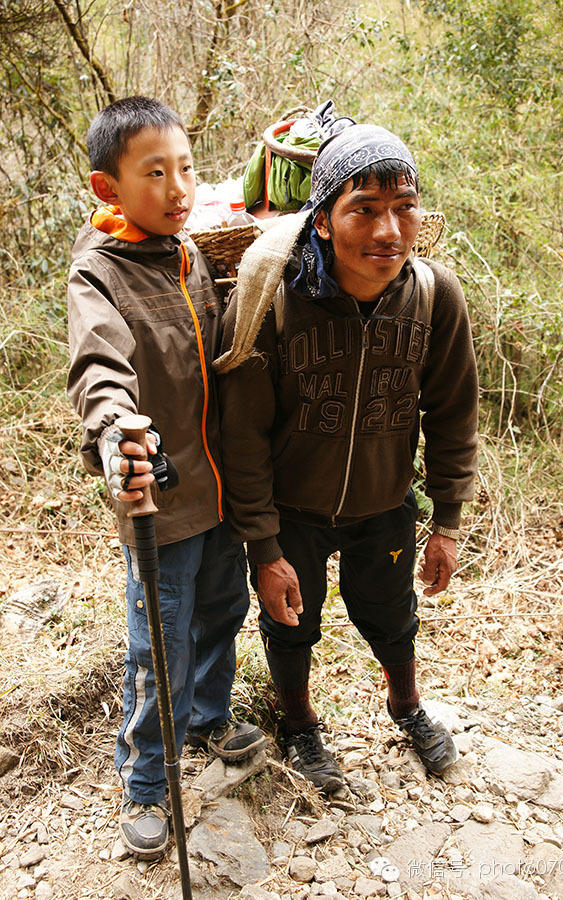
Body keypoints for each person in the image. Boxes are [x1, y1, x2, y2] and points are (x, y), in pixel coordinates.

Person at [215, 124, 478, 793]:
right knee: (290, 624)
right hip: (292, 512)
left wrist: (447, 520)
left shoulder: (434, 297)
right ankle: (299, 722)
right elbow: (241, 434)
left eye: (404, 207)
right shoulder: (272, 300)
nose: (388, 229)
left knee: (391, 612)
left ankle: (405, 704)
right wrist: (263, 546)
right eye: (364, 209)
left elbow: (452, 414)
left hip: (385, 505)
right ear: (325, 221)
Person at [67, 96, 265, 858]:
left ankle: (209, 716)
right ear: (107, 188)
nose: (178, 186)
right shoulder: (101, 273)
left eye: (185, 166)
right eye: (155, 172)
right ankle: (147, 781)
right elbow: (99, 367)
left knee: (223, 608)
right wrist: (118, 433)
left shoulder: (191, 256)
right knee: (160, 642)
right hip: (162, 496)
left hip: (222, 494)